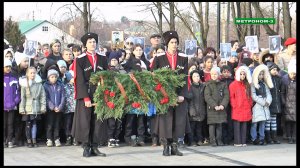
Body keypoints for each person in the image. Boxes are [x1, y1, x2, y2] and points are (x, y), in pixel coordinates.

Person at [151, 30, 188, 156]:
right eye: (172, 42)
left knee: (178, 122)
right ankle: (166, 146)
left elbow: (185, 77)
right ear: (167, 44)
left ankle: (175, 146)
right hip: (164, 96)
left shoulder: (183, 58)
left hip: (179, 96)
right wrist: (162, 93)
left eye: (176, 42)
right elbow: (153, 77)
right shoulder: (159, 58)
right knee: (165, 121)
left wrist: (182, 94)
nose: (174, 44)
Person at [71, 32, 108, 157]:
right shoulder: (80, 59)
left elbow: (107, 77)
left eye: (94, 42)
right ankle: (86, 146)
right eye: (90, 42)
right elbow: (79, 79)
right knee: (85, 121)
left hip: (99, 93)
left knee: (98, 121)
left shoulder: (102, 58)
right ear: (85, 45)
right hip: (86, 93)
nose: (93, 44)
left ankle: (95, 146)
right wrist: (85, 97)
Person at [19, 67, 46, 148]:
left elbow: (42, 96)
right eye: (31, 73)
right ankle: (29, 140)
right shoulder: (24, 84)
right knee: (28, 124)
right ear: (27, 74)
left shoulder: (39, 84)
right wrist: (22, 108)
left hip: (36, 107)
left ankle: (34, 139)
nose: (33, 74)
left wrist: (43, 107)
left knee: (34, 124)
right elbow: (23, 97)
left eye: (34, 73)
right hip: (28, 108)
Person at [204, 67, 229, 146]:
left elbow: (226, 96)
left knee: (219, 124)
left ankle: (219, 140)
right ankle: (212, 140)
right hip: (212, 108)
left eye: (215, 74)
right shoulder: (208, 85)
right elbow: (207, 97)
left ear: (218, 75)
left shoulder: (223, 85)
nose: (214, 75)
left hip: (221, 107)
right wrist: (214, 105)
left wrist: (223, 105)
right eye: (212, 74)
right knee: (212, 125)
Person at [229, 66, 253, 147]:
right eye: (241, 74)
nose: (242, 76)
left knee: (244, 125)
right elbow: (232, 96)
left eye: (244, 74)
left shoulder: (248, 84)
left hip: (246, 107)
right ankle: (237, 141)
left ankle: (243, 141)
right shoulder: (233, 84)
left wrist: (250, 104)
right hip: (237, 107)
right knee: (237, 125)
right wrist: (234, 105)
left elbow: (250, 96)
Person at [250, 64, 273, 145]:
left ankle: (262, 138)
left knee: (263, 122)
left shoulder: (264, 84)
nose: (261, 76)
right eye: (259, 74)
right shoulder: (253, 84)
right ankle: (254, 138)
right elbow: (253, 95)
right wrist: (263, 102)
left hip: (265, 105)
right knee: (255, 123)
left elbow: (268, 93)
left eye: (262, 74)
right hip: (257, 106)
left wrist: (268, 101)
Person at [43, 69, 65, 147]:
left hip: (58, 109)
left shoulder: (60, 85)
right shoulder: (45, 85)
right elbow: (46, 97)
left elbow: (63, 96)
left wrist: (60, 106)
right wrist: (52, 106)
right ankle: (49, 139)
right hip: (50, 109)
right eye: (52, 77)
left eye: (55, 77)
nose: (54, 78)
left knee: (57, 124)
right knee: (50, 124)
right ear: (48, 77)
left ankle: (56, 138)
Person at [186, 70, 206, 146]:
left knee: (199, 127)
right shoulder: (190, 88)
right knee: (192, 127)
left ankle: (199, 139)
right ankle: (192, 141)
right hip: (193, 110)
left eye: (197, 76)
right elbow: (189, 101)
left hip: (201, 110)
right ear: (191, 78)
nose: (196, 78)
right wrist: (191, 111)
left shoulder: (203, 86)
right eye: (194, 76)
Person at [4, 59, 21, 148]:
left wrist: (14, 103)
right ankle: (4, 140)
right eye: (6, 66)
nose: (8, 68)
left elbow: (17, 93)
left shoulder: (14, 79)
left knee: (10, 124)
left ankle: (10, 140)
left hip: (11, 106)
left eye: (9, 66)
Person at [265, 61, 282, 144]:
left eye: (276, 70)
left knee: (274, 120)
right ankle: (268, 137)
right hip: (269, 102)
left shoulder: (278, 79)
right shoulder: (267, 79)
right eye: (273, 69)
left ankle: (274, 137)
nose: (275, 71)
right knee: (268, 120)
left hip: (276, 102)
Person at [281, 60, 296, 144]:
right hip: (287, 104)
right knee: (288, 122)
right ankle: (289, 136)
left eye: (294, 74)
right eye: (291, 73)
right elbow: (282, 92)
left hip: (295, 105)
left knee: (294, 122)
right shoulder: (285, 82)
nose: (293, 75)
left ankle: (294, 136)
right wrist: (284, 102)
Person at [220, 65, 234, 145]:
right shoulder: (220, 82)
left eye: (227, 72)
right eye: (224, 72)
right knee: (223, 122)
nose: (226, 73)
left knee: (230, 122)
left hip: (231, 104)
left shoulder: (232, 81)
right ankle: (224, 138)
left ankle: (230, 138)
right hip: (223, 104)